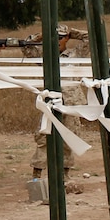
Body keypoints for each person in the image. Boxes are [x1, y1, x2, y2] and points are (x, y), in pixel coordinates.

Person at [22, 25, 90, 194]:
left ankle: (65, 175)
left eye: (61, 37)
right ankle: (37, 174)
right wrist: (41, 35)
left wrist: (73, 32)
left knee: (69, 138)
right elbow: (27, 47)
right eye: (55, 37)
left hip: (71, 103)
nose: (58, 41)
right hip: (50, 103)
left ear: (67, 38)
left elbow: (91, 38)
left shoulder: (75, 54)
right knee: (44, 138)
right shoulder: (45, 56)